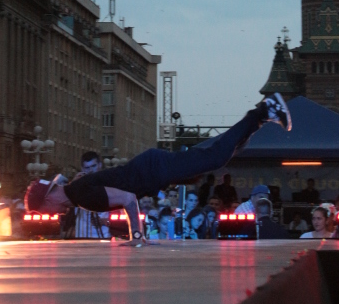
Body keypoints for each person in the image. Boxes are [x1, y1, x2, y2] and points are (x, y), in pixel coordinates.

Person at [25, 92, 292, 247]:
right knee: (217, 159)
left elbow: (128, 199)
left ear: (48, 198)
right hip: (154, 170)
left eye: (42, 210)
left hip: (155, 169)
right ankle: (260, 118)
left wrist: (136, 236)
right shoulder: (77, 192)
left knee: (215, 156)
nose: (49, 214)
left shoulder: (80, 195)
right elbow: (121, 193)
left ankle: (263, 111)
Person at [74, 151, 111, 239]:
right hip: (81, 237)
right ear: (82, 169)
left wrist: (103, 221)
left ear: (100, 165)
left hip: (102, 237)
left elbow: (120, 215)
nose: (91, 170)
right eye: (87, 168)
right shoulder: (77, 186)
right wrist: (73, 183)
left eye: (93, 166)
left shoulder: (108, 185)